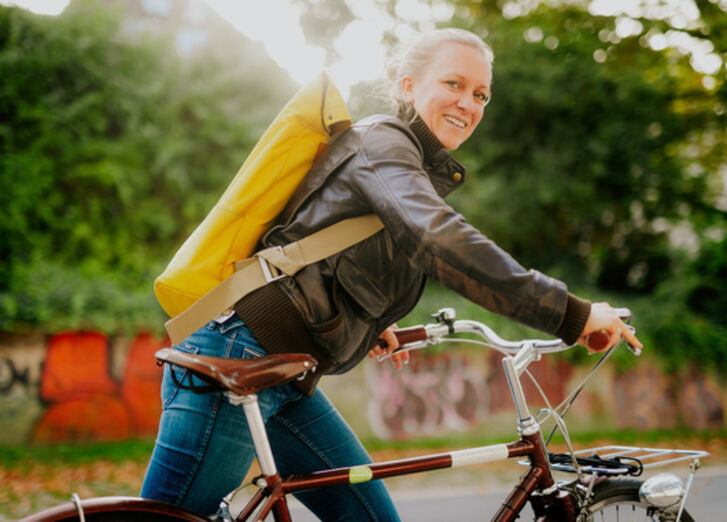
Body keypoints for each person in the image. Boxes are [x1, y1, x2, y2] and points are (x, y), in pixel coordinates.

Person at [141, 27, 642, 520]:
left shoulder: (405, 163)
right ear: (408, 85)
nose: (469, 103)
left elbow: (321, 245)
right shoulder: (381, 142)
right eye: (453, 84)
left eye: (481, 94)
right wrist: (571, 314)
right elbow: (439, 240)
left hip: (288, 373)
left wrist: (369, 320)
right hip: (240, 356)